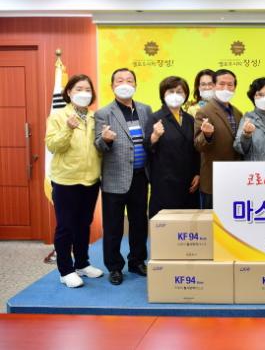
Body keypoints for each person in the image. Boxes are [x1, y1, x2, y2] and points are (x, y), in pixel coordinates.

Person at [94, 68, 152, 286]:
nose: (125, 84)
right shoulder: (103, 113)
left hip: (140, 177)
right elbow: (98, 145)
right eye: (120, 80)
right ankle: (114, 267)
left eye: (129, 80)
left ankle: (137, 261)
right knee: (113, 227)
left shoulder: (145, 109)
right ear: (112, 86)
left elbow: (150, 140)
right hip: (115, 178)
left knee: (139, 223)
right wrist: (106, 139)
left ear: (135, 85)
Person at [45, 74, 103, 288]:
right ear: (69, 92)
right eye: (78, 89)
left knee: (84, 224)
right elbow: (53, 146)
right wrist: (67, 128)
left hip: (90, 179)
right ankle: (65, 270)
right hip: (66, 180)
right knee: (66, 226)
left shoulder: (95, 117)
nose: (83, 93)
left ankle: (82, 263)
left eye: (87, 89)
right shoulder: (59, 116)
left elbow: (99, 147)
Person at [144, 76, 200, 218]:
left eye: (179, 92)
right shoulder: (155, 117)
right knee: (165, 225)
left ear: (185, 95)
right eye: (171, 91)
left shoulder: (189, 119)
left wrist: (197, 173)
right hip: (165, 182)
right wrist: (155, 136)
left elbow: (195, 150)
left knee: (188, 225)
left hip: (188, 182)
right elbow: (147, 147)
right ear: (163, 94)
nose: (175, 95)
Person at [194, 69, 243, 209]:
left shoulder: (238, 113)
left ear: (235, 88)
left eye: (230, 85)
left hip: (234, 178)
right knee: (211, 220)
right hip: (213, 180)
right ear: (214, 86)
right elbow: (198, 145)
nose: (226, 88)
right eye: (221, 84)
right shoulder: (204, 112)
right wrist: (207, 135)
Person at [233, 77, 265, 161]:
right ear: (253, 97)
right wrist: (246, 135)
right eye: (260, 95)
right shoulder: (247, 119)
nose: (264, 98)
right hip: (254, 168)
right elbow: (240, 149)